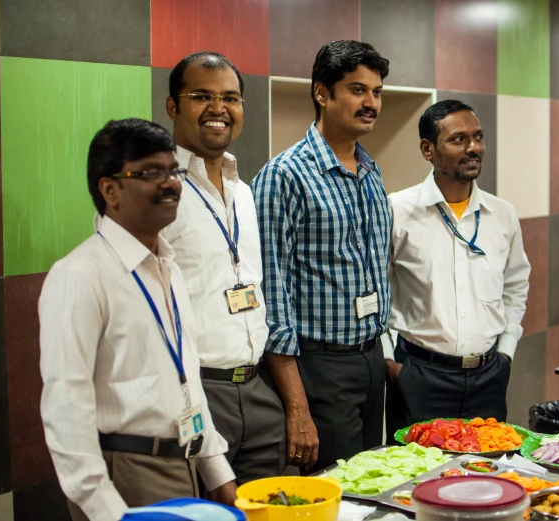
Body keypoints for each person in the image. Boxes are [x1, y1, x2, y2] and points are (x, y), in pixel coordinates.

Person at [39, 118, 236, 521]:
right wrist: (108, 511)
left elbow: (187, 378)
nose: (171, 183)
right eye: (150, 173)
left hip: (183, 462)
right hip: (124, 471)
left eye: (173, 171)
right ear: (109, 189)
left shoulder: (168, 265)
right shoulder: (79, 275)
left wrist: (215, 469)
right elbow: (66, 408)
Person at [251, 40, 391, 473]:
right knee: (337, 494)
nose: (371, 102)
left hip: (371, 359)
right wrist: (297, 408)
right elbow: (272, 296)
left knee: (373, 487)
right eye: (357, 90)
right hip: (318, 366)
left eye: (377, 92)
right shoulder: (284, 176)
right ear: (321, 93)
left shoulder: (370, 170)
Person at [160, 51, 286, 484]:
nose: (218, 109)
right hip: (193, 394)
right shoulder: (154, 191)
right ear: (173, 106)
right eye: (201, 96)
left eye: (230, 98)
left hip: (257, 388)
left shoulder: (244, 193)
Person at [384, 100, 531, 442]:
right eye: (459, 139)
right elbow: (377, 288)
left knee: (484, 481)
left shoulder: (502, 214)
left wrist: (507, 350)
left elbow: (516, 285)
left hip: (489, 376)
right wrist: (389, 358)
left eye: (478, 137)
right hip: (419, 375)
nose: (474, 148)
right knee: (415, 482)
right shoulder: (398, 210)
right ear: (427, 149)